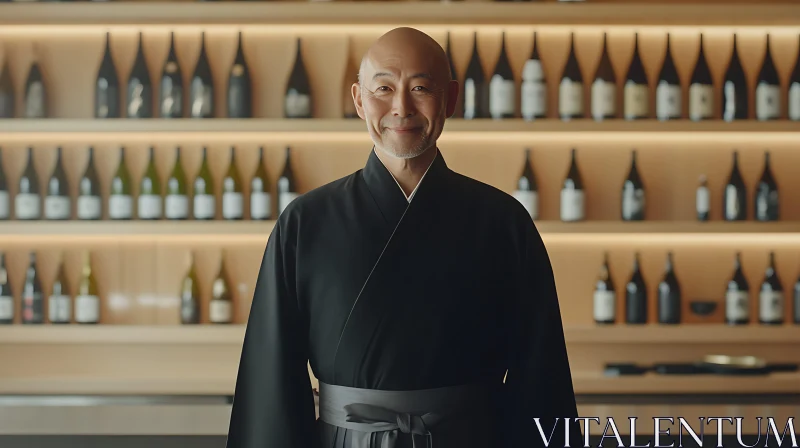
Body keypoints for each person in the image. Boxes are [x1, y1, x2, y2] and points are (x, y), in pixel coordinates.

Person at [225, 27, 582, 448]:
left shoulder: (504, 223)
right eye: (384, 88)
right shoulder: (305, 222)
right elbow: (272, 383)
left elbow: (541, 380)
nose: (402, 107)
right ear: (359, 100)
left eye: (420, 88)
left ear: (450, 98)